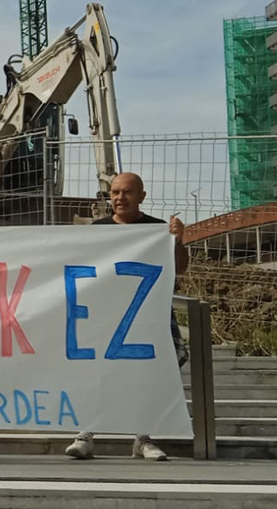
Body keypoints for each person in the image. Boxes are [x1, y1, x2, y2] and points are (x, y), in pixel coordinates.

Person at [65, 172, 189, 461]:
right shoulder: (98, 230)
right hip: (105, 314)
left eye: (128, 192)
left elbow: (179, 268)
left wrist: (179, 240)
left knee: (156, 370)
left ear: (142, 196)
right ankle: (87, 432)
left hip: (149, 315)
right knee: (96, 371)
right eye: (116, 192)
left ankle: (144, 437)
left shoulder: (158, 230)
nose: (120, 198)